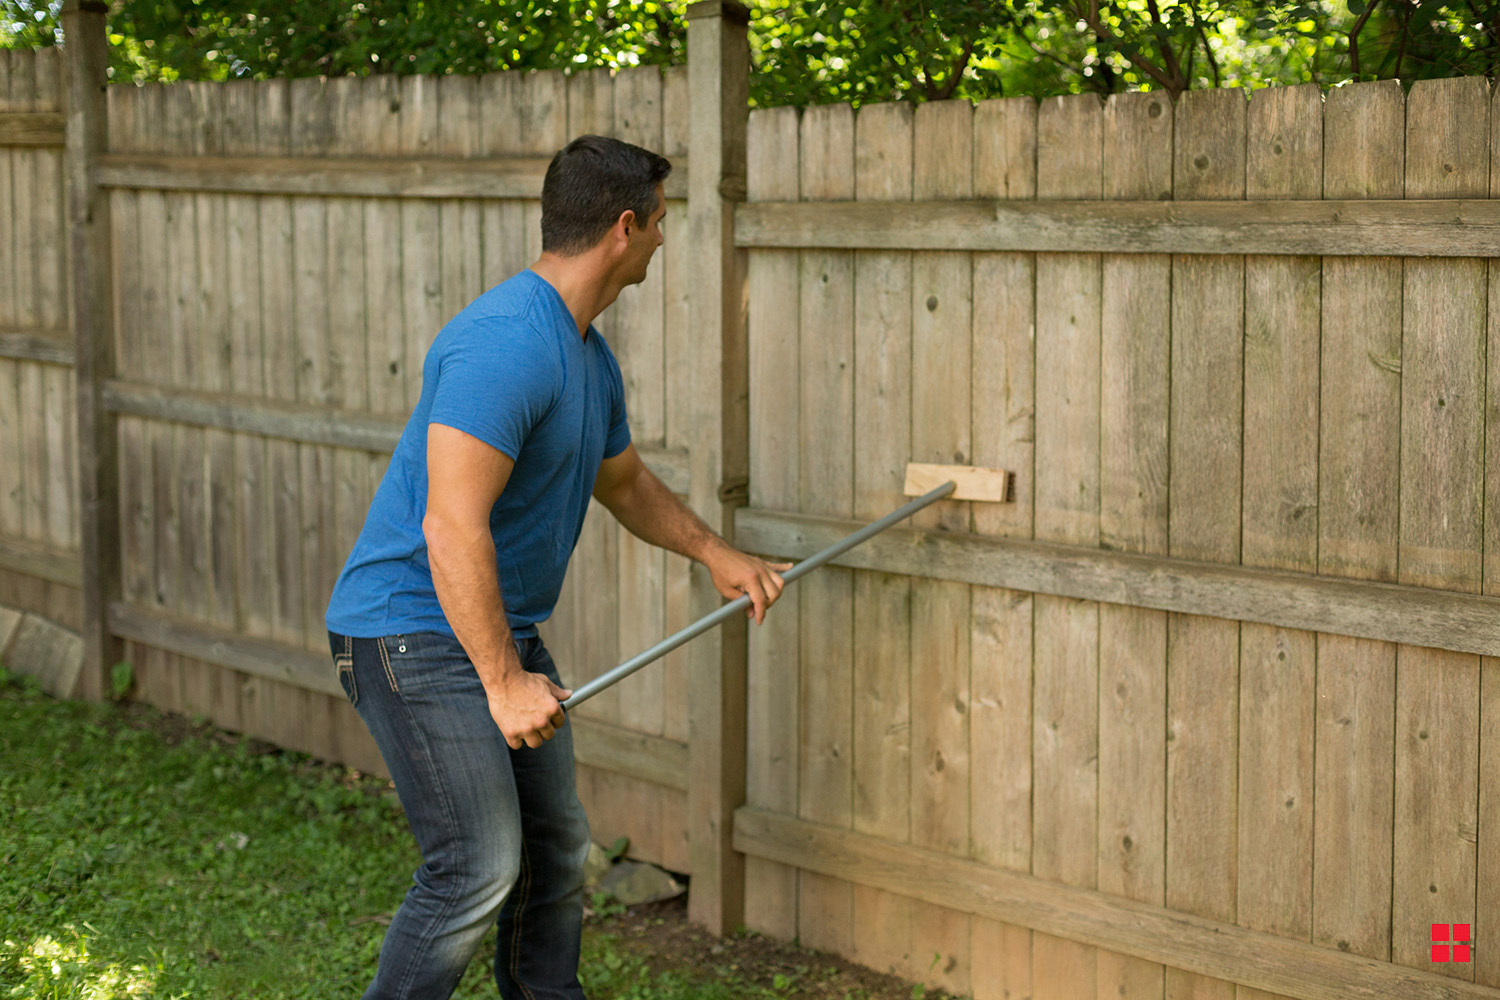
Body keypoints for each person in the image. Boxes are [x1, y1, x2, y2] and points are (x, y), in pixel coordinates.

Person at [325, 134, 791, 1000]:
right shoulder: (505, 342)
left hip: (488, 627)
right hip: (406, 628)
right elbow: (450, 525)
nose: (662, 238)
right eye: (660, 221)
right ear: (625, 227)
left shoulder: (585, 354)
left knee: (551, 854)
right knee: (477, 864)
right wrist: (504, 682)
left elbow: (625, 482)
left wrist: (716, 552)